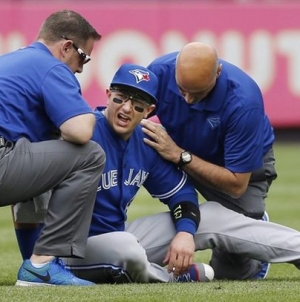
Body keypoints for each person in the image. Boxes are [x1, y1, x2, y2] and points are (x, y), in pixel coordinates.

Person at [12, 63, 300, 284]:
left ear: (149, 110)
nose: (126, 109)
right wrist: (36, 260)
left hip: (119, 237)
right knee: (126, 248)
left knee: (212, 213)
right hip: (66, 252)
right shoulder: (81, 131)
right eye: (121, 98)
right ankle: (174, 277)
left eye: (137, 105)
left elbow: (183, 195)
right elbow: (28, 197)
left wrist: (185, 234)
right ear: (108, 93)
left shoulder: (146, 140)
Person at [141, 42, 277, 280]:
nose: (189, 100)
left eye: (199, 93)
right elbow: (127, 114)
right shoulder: (160, 72)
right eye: (183, 91)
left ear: (218, 72)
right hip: (179, 147)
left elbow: (236, 184)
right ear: (175, 73)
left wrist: (180, 155)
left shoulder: (244, 101)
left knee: (232, 274)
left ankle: (254, 227)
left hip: (233, 167)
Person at [0, 10, 106, 286]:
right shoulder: (51, 66)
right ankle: (42, 264)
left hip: (7, 154)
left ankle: (35, 265)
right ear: (67, 46)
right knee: (90, 155)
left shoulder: (10, 60)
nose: (82, 68)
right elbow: (80, 130)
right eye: (83, 57)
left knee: (38, 149)